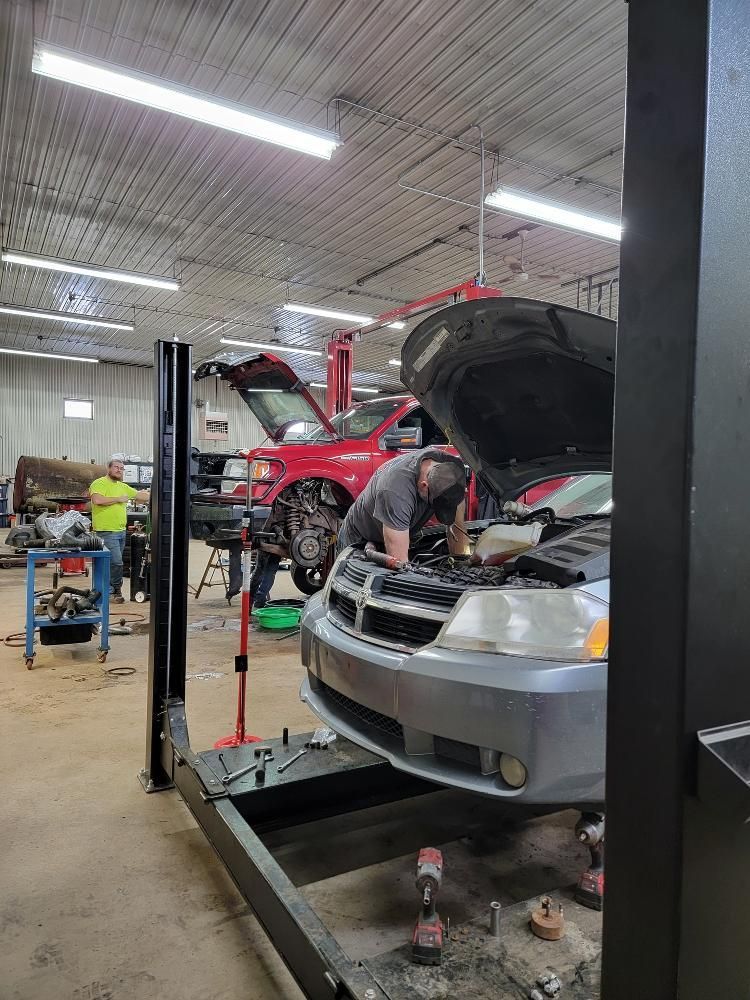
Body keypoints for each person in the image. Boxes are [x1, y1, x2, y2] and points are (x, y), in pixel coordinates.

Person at [338, 448, 468, 560]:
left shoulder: (452, 470)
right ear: (424, 485)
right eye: (434, 504)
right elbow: (399, 563)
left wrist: (459, 561)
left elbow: (457, 527)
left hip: (395, 532)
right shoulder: (396, 492)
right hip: (359, 539)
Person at [89, 459, 150, 603]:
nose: (119, 470)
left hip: (121, 531)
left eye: (122, 468)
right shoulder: (99, 483)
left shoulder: (123, 486)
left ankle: (109, 589)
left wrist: (156, 492)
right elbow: (97, 500)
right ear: (108, 468)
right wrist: (118, 499)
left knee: (114, 563)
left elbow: (139, 496)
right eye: (116, 467)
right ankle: (114, 590)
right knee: (116, 562)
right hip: (106, 531)